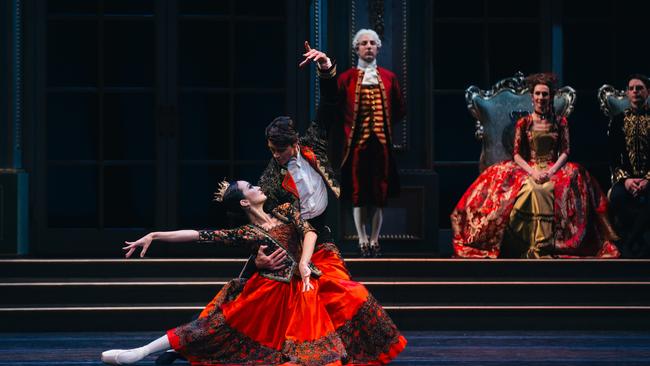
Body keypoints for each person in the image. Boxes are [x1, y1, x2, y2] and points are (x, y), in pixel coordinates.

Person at [101, 180, 406, 365]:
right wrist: (155, 235)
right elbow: (200, 235)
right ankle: (140, 352)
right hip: (271, 293)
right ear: (246, 201)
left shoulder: (285, 211)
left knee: (354, 296)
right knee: (212, 325)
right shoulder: (248, 232)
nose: (259, 187)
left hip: (305, 279)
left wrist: (303, 264)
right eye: (251, 187)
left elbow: (309, 232)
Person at [451, 73, 620, 258]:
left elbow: (565, 151)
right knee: (530, 189)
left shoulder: (560, 122)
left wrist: (552, 170)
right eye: (538, 94)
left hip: (554, 166)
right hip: (529, 166)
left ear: (551, 97)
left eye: (545, 94)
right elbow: (516, 154)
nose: (541, 98)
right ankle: (525, 245)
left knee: (553, 187)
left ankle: (547, 244)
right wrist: (532, 171)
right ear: (532, 97)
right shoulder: (524, 122)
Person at [333, 29, 406, 257]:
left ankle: (375, 239)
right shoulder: (346, 79)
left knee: (379, 193)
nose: (368, 47)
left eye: (372, 43)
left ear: (378, 48)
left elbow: (400, 110)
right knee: (358, 192)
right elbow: (335, 110)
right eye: (363, 43)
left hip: (381, 145)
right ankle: (362, 239)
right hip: (356, 146)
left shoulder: (389, 77)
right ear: (356, 48)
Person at [608, 74, 650, 258]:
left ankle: (631, 241)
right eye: (631, 88)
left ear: (648, 92)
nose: (635, 92)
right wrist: (626, 180)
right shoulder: (618, 120)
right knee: (617, 197)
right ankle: (639, 242)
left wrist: (648, 179)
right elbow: (612, 155)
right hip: (627, 178)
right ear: (627, 93)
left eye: (639, 88)